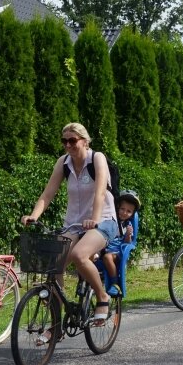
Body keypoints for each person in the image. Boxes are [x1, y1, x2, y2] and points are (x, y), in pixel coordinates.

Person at [21, 123, 117, 334]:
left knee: (79, 255)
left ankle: (102, 296)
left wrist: (94, 218)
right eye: (64, 141)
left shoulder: (97, 158)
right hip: (74, 223)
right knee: (54, 266)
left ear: (85, 141)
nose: (68, 145)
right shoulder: (63, 163)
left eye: (72, 140)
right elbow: (48, 194)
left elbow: (100, 192)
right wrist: (33, 216)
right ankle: (55, 325)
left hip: (104, 220)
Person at [100, 190, 140, 296]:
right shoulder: (110, 220)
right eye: (122, 209)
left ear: (132, 214)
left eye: (128, 211)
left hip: (117, 252)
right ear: (117, 207)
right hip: (103, 249)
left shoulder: (127, 225)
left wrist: (128, 235)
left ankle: (114, 283)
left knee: (107, 257)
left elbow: (128, 243)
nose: (124, 213)